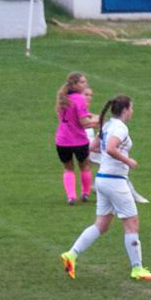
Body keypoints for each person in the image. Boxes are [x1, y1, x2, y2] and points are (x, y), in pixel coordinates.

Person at [60, 94, 151, 281]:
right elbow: (111, 148)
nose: (132, 111)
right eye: (131, 108)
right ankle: (137, 269)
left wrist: (113, 152)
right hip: (115, 182)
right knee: (132, 223)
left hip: (103, 180)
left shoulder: (107, 126)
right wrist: (127, 160)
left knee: (102, 225)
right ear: (125, 110)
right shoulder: (120, 128)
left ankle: (71, 255)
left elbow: (93, 147)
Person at [54, 72, 98, 204]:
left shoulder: (63, 98)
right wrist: (98, 122)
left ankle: (71, 196)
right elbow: (83, 122)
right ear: (74, 85)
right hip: (78, 140)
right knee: (85, 166)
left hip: (62, 140)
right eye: (82, 82)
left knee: (68, 168)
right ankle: (85, 194)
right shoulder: (80, 99)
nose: (85, 84)